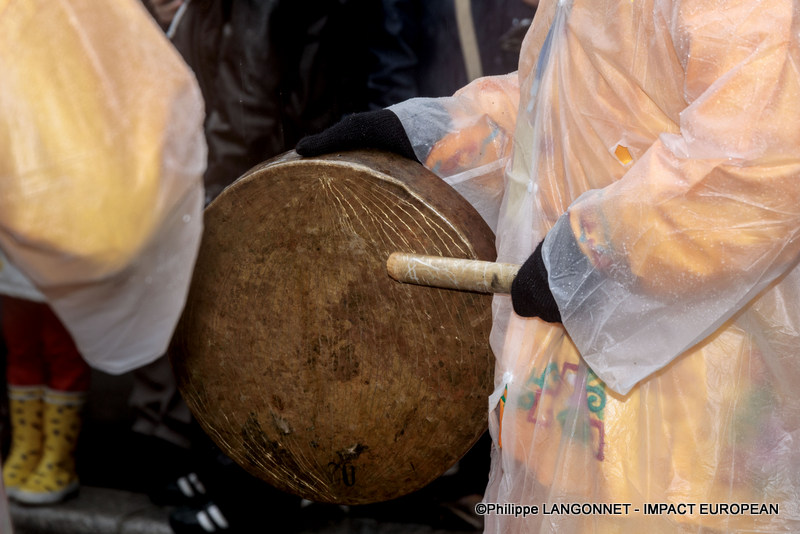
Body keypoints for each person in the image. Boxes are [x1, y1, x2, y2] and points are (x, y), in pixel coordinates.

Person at [296, 0, 800, 532]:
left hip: (687, 419)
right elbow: (565, 108)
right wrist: (429, 135)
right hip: (565, 407)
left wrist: (596, 245)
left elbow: (761, 162)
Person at [0, 0, 206, 523]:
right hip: (17, 212)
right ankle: (28, 446)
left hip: (71, 205)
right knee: (20, 339)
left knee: (61, 338)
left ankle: (58, 453)